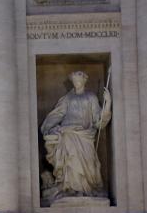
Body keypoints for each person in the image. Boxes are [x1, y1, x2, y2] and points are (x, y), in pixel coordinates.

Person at [40, 70, 111, 201]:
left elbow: (99, 121)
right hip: (67, 133)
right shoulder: (68, 98)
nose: (77, 83)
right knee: (70, 161)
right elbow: (58, 114)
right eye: (74, 81)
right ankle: (70, 189)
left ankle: (87, 189)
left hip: (85, 135)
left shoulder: (91, 97)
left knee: (89, 163)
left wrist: (108, 104)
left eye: (79, 81)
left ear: (84, 81)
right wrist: (47, 127)